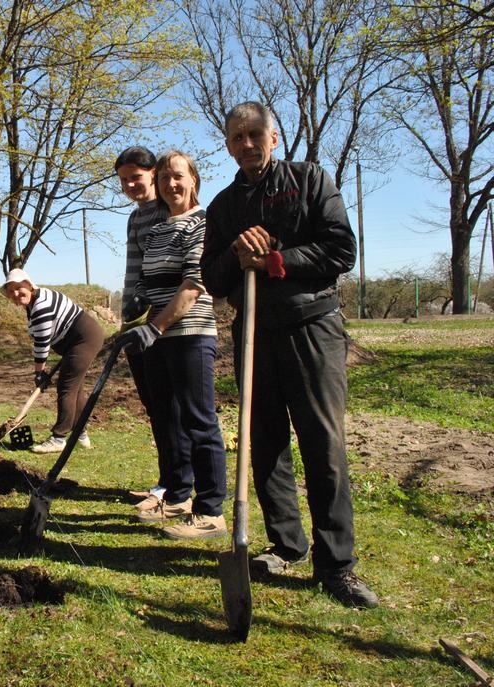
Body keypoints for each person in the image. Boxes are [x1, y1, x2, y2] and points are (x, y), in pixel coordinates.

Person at [201, 101, 378, 608]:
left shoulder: (309, 181)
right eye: (237, 137)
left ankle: (336, 564)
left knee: (323, 445)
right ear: (230, 146)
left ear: (273, 138)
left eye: (255, 134)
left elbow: (341, 249)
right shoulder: (223, 206)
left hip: (313, 327)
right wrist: (237, 255)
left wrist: (275, 259)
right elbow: (212, 278)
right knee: (265, 443)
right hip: (254, 333)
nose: (247, 144)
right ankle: (287, 546)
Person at [117, 150, 229, 540]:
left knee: (200, 421)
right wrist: (134, 313)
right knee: (167, 414)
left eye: (177, 177)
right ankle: (179, 495)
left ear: (193, 179)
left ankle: (211, 510)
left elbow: (194, 285)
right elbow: (149, 281)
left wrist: (157, 326)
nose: (171, 185)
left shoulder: (203, 223)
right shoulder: (161, 228)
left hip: (191, 334)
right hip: (158, 336)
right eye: (164, 179)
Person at [114, 146, 174, 515]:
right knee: (154, 407)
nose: (131, 185)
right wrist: (128, 314)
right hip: (135, 323)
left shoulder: (169, 210)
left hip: (163, 323)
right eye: (123, 180)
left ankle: (175, 485)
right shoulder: (134, 218)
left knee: (171, 407)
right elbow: (133, 271)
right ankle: (166, 479)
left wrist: (154, 313)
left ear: (153, 173)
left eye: (136, 176)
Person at [0, 268, 104, 453]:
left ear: (29, 285)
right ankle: (81, 434)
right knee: (75, 388)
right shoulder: (32, 303)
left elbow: (42, 343)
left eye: (19, 288)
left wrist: (39, 373)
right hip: (75, 341)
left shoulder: (40, 306)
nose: (15, 294)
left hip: (84, 339)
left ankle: (59, 438)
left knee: (66, 387)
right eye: (11, 291)